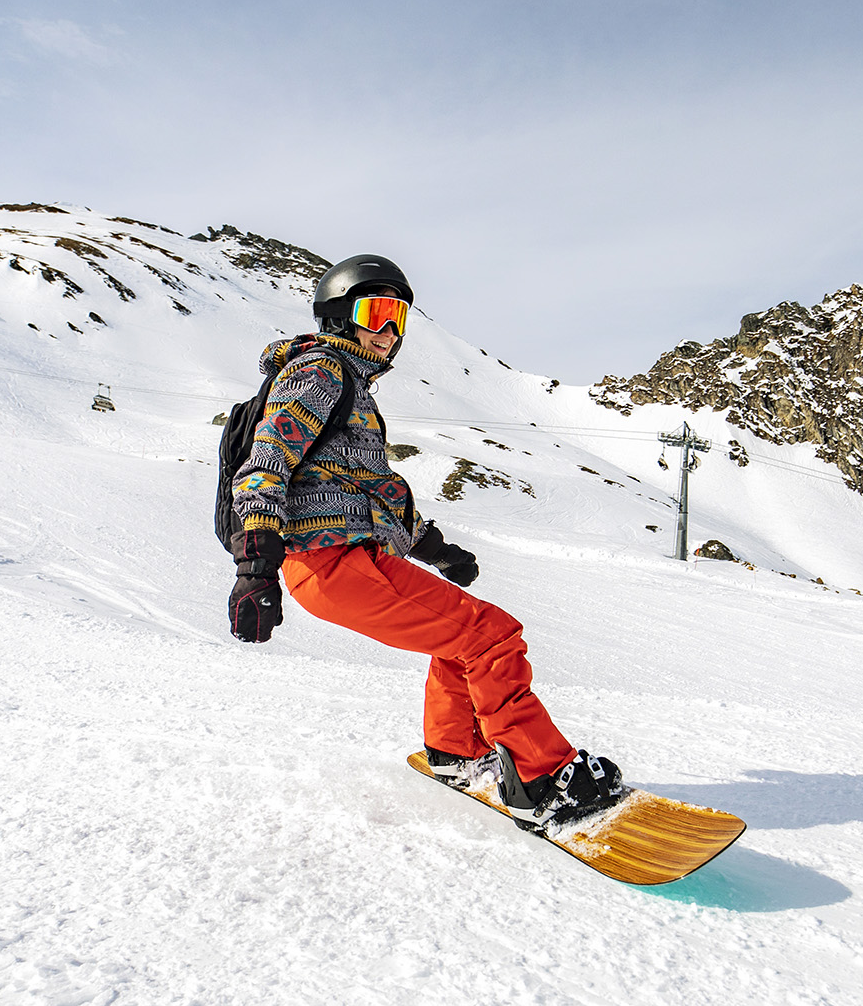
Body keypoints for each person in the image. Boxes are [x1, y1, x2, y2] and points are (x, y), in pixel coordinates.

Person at [225, 254, 623, 829]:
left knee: (461, 638)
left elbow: (372, 488)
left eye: (399, 318)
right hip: (330, 561)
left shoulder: (350, 388)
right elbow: (266, 463)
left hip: (346, 560)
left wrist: (436, 550)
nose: (389, 331)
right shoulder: (320, 372)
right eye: (376, 312)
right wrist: (254, 566)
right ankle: (541, 780)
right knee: (492, 636)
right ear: (338, 316)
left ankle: (456, 751)